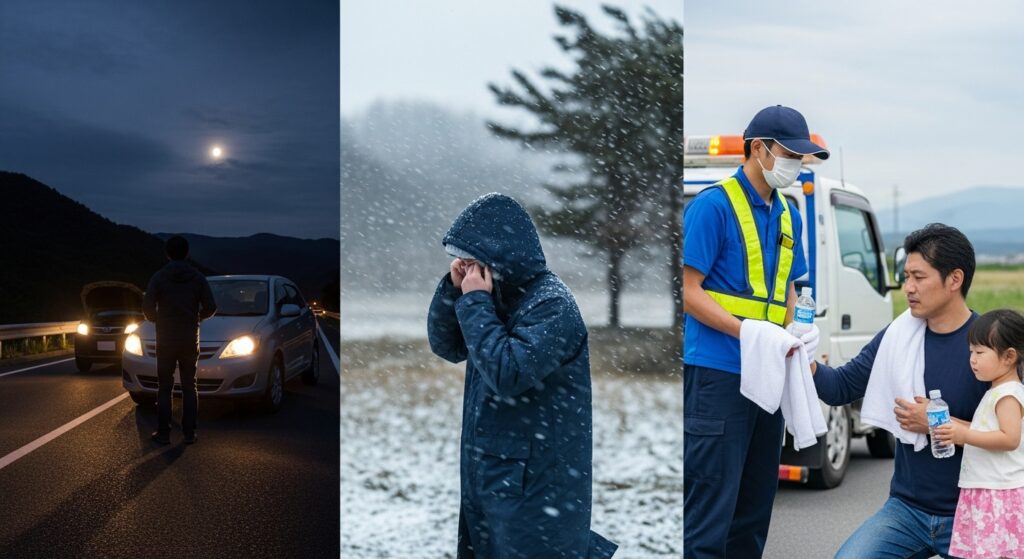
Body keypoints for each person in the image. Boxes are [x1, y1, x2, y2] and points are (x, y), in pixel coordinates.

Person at [427, 193, 617, 559]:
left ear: (500, 257)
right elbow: (447, 345)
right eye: (463, 260)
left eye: (473, 259)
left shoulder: (551, 304)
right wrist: (454, 289)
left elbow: (508, 373)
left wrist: (476, 302)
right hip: (495, 471)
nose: (469, 267)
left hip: (536, 480)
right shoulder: (499, 296)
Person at [682, 105, 827, 558]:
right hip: (718, 374)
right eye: (790, 154)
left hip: (769, 373)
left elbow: (787, 290)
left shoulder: (788, 215)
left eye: (801, 157)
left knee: (753, 512)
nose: (796, 163)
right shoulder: (712, 206)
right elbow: (687, 291)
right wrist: (748, 333)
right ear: (759, 149)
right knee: (709, 514)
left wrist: (796, 330)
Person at [811, 224, 989, 558]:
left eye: (919, 277)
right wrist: (803, 362)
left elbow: (1011, 436)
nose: (908, 288)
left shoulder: (988, 345)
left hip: (973, 511)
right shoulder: (898, 336)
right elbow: (840, 388)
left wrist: (936, 423)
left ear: (954, 279)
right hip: (907, 511)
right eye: (906, 277)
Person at [933, 309, 1024, 559]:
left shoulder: (1008, 394)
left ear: (1009, 356)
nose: (972, 359)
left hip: (1000, 492)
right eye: (971, 352)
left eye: (980, 353)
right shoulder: (997, 390)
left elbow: (1009, 438)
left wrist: (962, 435)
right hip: (987, 488)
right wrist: (953, 425)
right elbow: (985, 430)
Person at [142, 235, 217, 445]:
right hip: (189, 338)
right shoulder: (197, 278)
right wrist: (196, 317)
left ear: (167, 253)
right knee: (189, 386)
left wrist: (158, 320)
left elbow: (147, 307)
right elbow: (211, 307)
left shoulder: (159, 277)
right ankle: (189, 433)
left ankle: (163, 433)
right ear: (187, 253)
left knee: (164, 387)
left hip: (165, 339)